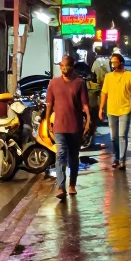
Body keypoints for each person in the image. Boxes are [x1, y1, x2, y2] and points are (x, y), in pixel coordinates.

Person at [45, 55, 90, 199]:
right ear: (59, 66)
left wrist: (89, 119)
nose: (64, 68)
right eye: (62, 65)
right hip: (59, 127)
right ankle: (60, 188)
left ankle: (72, 185)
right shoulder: (53, 83)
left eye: (68, 66)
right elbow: (49, 105)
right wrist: (47, 122)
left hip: (75, 127)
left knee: (73, 158)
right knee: (60, 156)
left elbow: (85, 105)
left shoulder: (79, 83)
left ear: (72, 67)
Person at [98, 52, 131, 169]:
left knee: (122, 136)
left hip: (125, 109)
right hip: (111, 110)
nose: (113, 64)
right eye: (112, 62)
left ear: (121, 63)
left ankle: (122, 160)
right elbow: (104, 94)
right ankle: (116, 158)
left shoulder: (129, 75)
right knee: (114, 137)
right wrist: (101, 108)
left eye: (115, 62)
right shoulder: (108, 77)